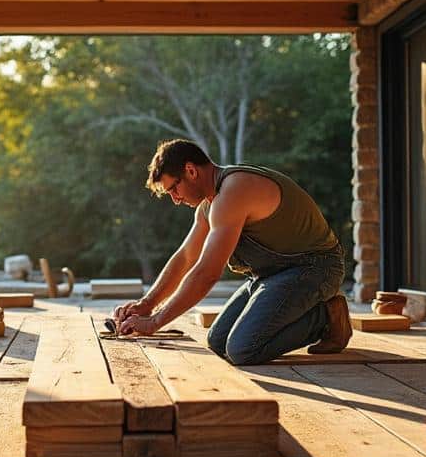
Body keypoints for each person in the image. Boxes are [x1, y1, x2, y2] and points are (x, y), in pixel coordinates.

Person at [114, 138, 350, 364]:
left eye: (174, 189)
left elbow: (206, 274)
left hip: (316, 267)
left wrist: (155, 322)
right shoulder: (209, 207)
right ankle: (311, 315)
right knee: (217, 342)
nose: (175, 199)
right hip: (271, 276)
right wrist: (147, 304)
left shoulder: (235, 190)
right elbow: (186, 258)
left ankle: (326, 318)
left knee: (243, 349)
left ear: (191, 171)